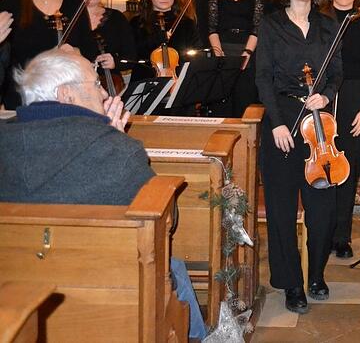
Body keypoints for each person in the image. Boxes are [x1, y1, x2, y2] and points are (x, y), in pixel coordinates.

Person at [0, 48, 206, 339]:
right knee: (172, 267)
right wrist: (116, 140)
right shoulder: (114, 150)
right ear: (66, 95)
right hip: (106, 295)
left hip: (12, 293)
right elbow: (166, 219)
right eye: (96, 84)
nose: (105, 94)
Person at [255, 0, 342, 313]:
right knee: (281, 207)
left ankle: (317, 273)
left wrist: (327, 94)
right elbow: (262, 77)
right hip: (283, 117)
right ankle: (292, 283)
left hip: (319, 122)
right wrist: (276, 123)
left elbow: (337, 73)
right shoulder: (271, 25)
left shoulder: (328, 24)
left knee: (322, 206)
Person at [318, 0, 360, 259]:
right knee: (321, 164)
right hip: (323, 96)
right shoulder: (320, 20)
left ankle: (342, 234)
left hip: (354, 96)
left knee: (348, 165)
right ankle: (322, 229)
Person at [4, 0, 97, 109]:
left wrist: (75, 52)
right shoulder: (11, 1)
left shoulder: (74, 3)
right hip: (21, 97)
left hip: (68, 98)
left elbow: (90, 51)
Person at [207, 0, 264, 117]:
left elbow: (257, 26)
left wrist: (247, 53)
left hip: (247, 50)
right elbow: (212, 27)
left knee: (244, 100)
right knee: (221, 103)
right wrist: (218, 52)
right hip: (222, 49)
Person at [128, 0, 200, 83]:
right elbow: (132, 54)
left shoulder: (186, 23)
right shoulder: (137, 22)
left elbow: (196, 53)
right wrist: (156, 39)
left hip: (179, 80)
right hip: (145, 79)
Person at [72, 0, 136, 89]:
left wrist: (115, 62)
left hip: (108, 85)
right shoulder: (65, 17)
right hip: (73, 83)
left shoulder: (117, 18)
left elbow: (131, 57)